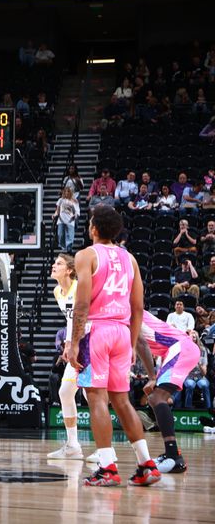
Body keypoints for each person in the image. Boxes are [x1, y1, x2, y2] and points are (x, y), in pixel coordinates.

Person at [64, 205, 161, 487]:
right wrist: (131, 345)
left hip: (97, 331)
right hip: (121, 331)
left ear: (94, 228)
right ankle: (146, 464)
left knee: (96, 398)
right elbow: (138, 307)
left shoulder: (86, 255)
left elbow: (81, 303)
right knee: (121, 399)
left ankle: (107, 467)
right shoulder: (129, 258)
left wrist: (74, 341)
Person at [138, 310, 201, 474]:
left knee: (157, 397)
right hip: (175, 350)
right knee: (154, 398)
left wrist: (152, 376)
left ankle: (173, 457)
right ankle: (172, 454)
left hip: (180, 347)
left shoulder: (125, 308)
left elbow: (140, 343)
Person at [46, 254, 83, 460]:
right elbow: (70, 321)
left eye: (58, 263)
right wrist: (68, 343)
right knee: (66, 392)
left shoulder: (80, 287)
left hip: (90, 344)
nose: (54, 265)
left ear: (69, 270)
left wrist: (72, 343)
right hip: (77, 346)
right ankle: (73, 445)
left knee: (91, 396)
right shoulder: (57, 291)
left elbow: (82, 319)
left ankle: (106, 450)